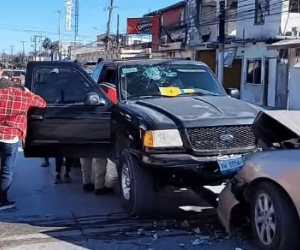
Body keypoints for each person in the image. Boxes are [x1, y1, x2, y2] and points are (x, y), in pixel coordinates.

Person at [0, 67, 46, 210]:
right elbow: (42, 103)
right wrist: (27, 92)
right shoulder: (20, 96)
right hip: (10, 138)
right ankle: (2, 201)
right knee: (6, 170)